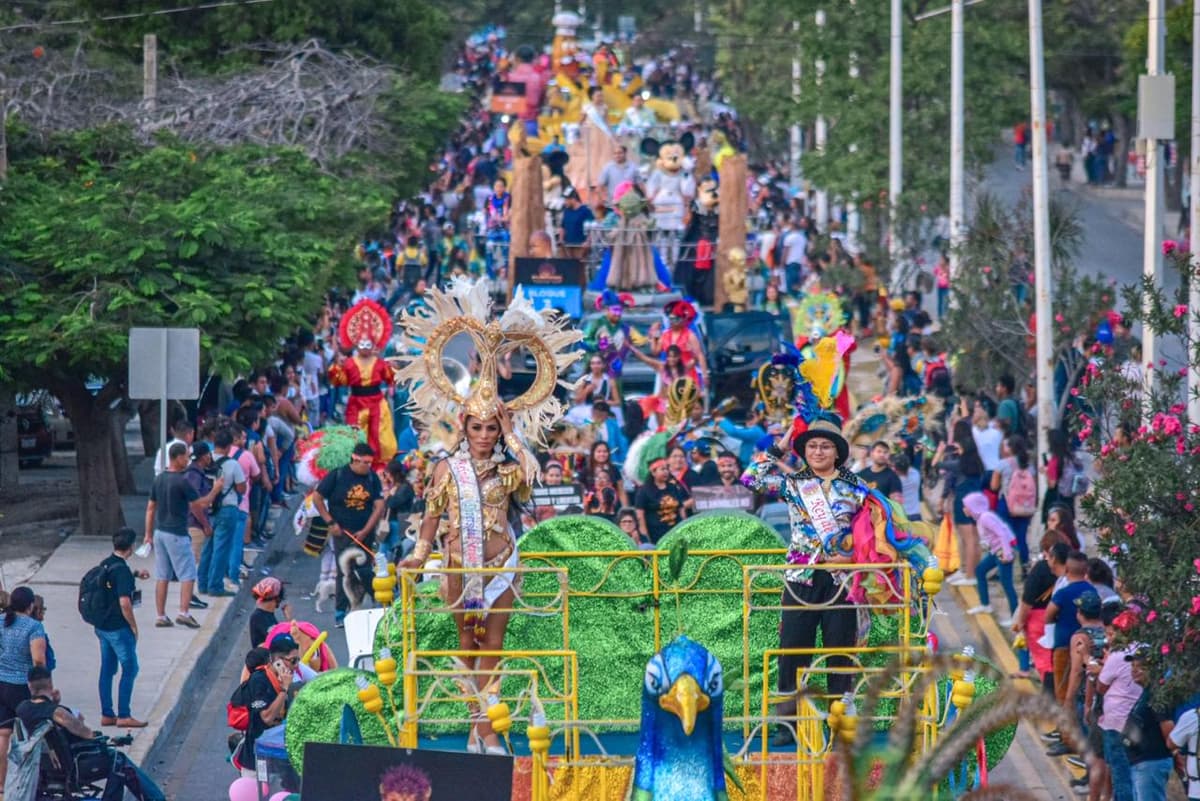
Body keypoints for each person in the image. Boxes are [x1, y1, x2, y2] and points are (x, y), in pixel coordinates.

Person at [393, 278, 577, 756]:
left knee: (492, 648)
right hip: (458, 566)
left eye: (489, 426)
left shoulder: (508, 468)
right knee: (466, 646)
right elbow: (431, 516)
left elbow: (531, 476)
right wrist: (417, 555)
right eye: (475, 426)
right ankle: (485, 730)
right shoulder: (446, 469)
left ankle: (485, 731)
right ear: (464, 426)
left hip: (499, 568)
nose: (481, 433)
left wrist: (513, 432)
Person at [742, 413, 866, 746]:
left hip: (840, 577)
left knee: (840, 651)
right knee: (792, 650)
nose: (819, 452)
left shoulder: (857, 489)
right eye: (812, 446)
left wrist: (852, 558)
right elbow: (750, 478)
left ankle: (841, 724)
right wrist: (780, 446)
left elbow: (871, 535)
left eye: (826, 446)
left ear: (837, 452)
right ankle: (788, 724)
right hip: (800, 577)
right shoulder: (795, 483)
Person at [16, 666, 165, 801]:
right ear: (50, 684)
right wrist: (93, 735)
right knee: (118, 760)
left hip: (48, 768)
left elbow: (47, 713)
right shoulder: (57, 712)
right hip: (75, 764)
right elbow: (71, 722)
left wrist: (54, 703)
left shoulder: (23, 709)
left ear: (29, 686)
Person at [144, 442, 223, 629]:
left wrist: (148, 534)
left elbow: (150, 508)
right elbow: (198, 506)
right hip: (177, 533)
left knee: (162, 575)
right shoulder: (183, 481)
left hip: (159, 532)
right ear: (178, 457)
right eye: (186, 456)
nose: (188, 460)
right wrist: (215, 491)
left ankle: (161, 615)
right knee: (188, 574)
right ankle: (183, 612)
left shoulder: (159, 479)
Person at [313, 443, 385, 628]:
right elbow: (317, 498)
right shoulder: (337, 475)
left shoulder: (372, 479)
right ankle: (340, 611)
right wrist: (330, 522)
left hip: (364, 532)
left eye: (370, 463)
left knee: (365, 570)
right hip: (342, 532)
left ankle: (379, 604)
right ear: (355, 459)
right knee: (344, 570)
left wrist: (366, 530)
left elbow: (379, 506)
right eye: (365, 463)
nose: (368, 467)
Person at [93, 529, 148, 728]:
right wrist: (133, 626)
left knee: (107, 669)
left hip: (102, 626)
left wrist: (135, 573)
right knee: (130, 668)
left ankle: (107, 714)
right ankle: (124, 714)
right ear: (131, 546)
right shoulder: (122, 571)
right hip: (118, 627)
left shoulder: (106, 563)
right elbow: (125, 603)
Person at [0, 586, 48, 789]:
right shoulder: (33, 627)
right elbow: (38, 660)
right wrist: (45, 688)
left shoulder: (1, 621)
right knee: (32, 735)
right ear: (30, 606)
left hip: (0, 683)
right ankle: (27, 780)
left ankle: (1, 784)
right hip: (22, 687)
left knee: (3, 735)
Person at [1012, 539, 1070, 691]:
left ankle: (1050, 695)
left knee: (1044, 662)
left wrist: (1020, 622)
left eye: (1049, 556)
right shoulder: (1073, 575)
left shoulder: (1040, 569)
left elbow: (1027, 600)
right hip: (1064, 622)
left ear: (1054, 558)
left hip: (1039, 620)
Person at [239, 634, 300, 778]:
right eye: (293, 661)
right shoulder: (259, 680)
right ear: (278, 661)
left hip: (279, 761)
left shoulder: (286, 679)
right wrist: (284, 689)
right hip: (256, 762)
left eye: (298, 660)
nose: (296, 665)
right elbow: (266, 717)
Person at [1043, 551, 1095, 719]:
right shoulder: (1092, 590)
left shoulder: (1063, 593)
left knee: (1063, 693)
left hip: (1064, 646)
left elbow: (1048, 615)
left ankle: (1066, 737)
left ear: (1067, 569)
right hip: (1089, 645)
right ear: (1085, 570)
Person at [197, 427, 247, 599]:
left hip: (208, 508)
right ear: (228, 446)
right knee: (221, 548)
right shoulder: (232, 464)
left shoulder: (206, 460)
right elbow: (242, 488)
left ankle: (202, 583)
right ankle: (215, 585)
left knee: (207, 547)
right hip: (227, 508)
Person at [936, 419, 985, 585]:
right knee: (974, 538)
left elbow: (936, 465)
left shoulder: (959, 464)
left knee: (967, 538)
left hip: (963, 501)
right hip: (977, 502)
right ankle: (972, 572)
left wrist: (940, 451)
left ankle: (969, 574)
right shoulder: (977, 463)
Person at [963, 492, 1018, 626]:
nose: (964, 509)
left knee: (1007, 584)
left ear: (974, 507)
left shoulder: (986, 518)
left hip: (1004, 550)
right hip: (997, 550)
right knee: (980, 571)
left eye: (966, 506)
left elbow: (1002, 534)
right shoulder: (980, 519)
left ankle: (1015, 618)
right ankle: (985, 604)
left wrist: (1007, 554)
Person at [990, 435, 1037, 567]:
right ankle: (1024, 566)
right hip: (1025, 506)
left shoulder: (1002, 464)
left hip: (1006, 504)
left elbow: (994, 486)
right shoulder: (1028, 465)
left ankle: (1007, 568)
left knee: (1005, 537)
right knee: (1021, 537)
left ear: (1010, 448)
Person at [634, 456, 693, 545]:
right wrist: (646, 537)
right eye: (662, 469)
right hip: (655, 534)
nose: (666, 472)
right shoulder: (644, 491)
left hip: (675, 532)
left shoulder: (673, 488)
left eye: (667, 469)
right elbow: (640, 516)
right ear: (653, 472)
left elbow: (681, 510)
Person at [249, 577, 291, 648]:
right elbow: (282, 641)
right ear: (277, 598)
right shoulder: (257, 618)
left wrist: (288, 617)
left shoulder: (268, 614)